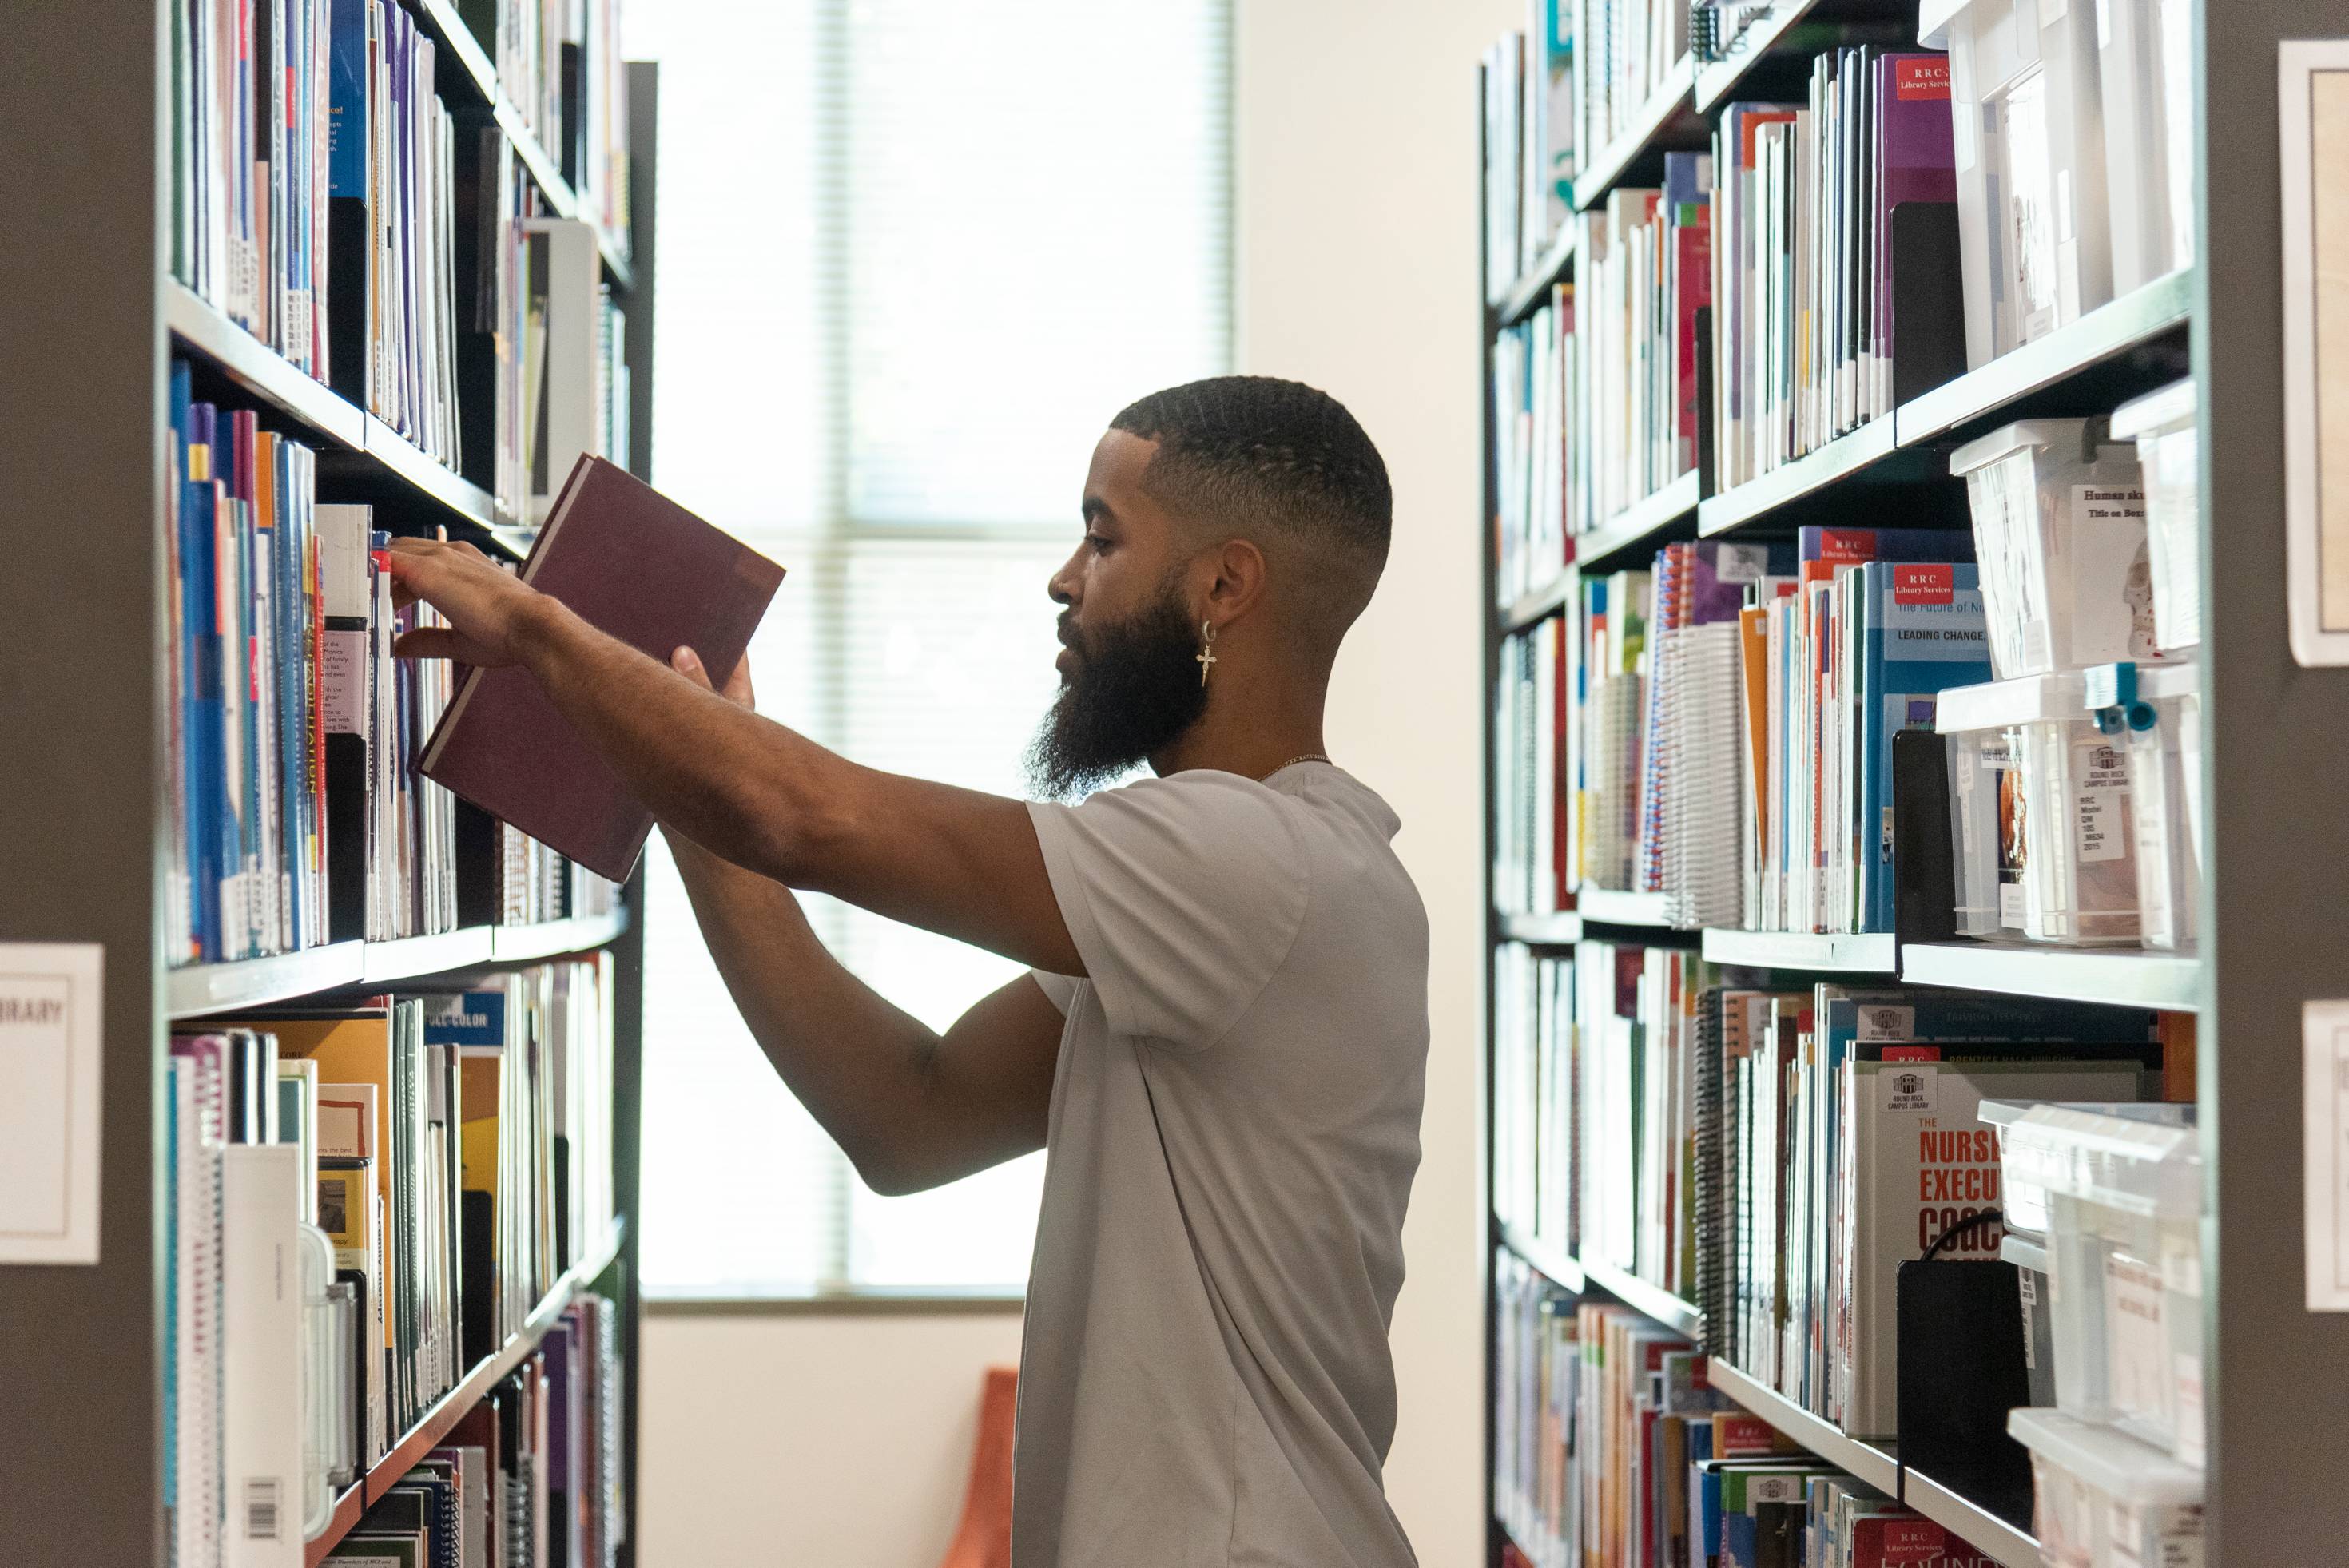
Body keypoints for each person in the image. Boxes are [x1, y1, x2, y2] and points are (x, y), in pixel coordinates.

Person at [388, 375, 1429, 1567]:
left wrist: (538, 629)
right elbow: (907, 1116)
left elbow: (811, 820)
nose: (1064, 579)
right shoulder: (1219, 892)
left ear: (1225, 585)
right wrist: (682, 779)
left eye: (1102, 537)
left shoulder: (1255, 865)